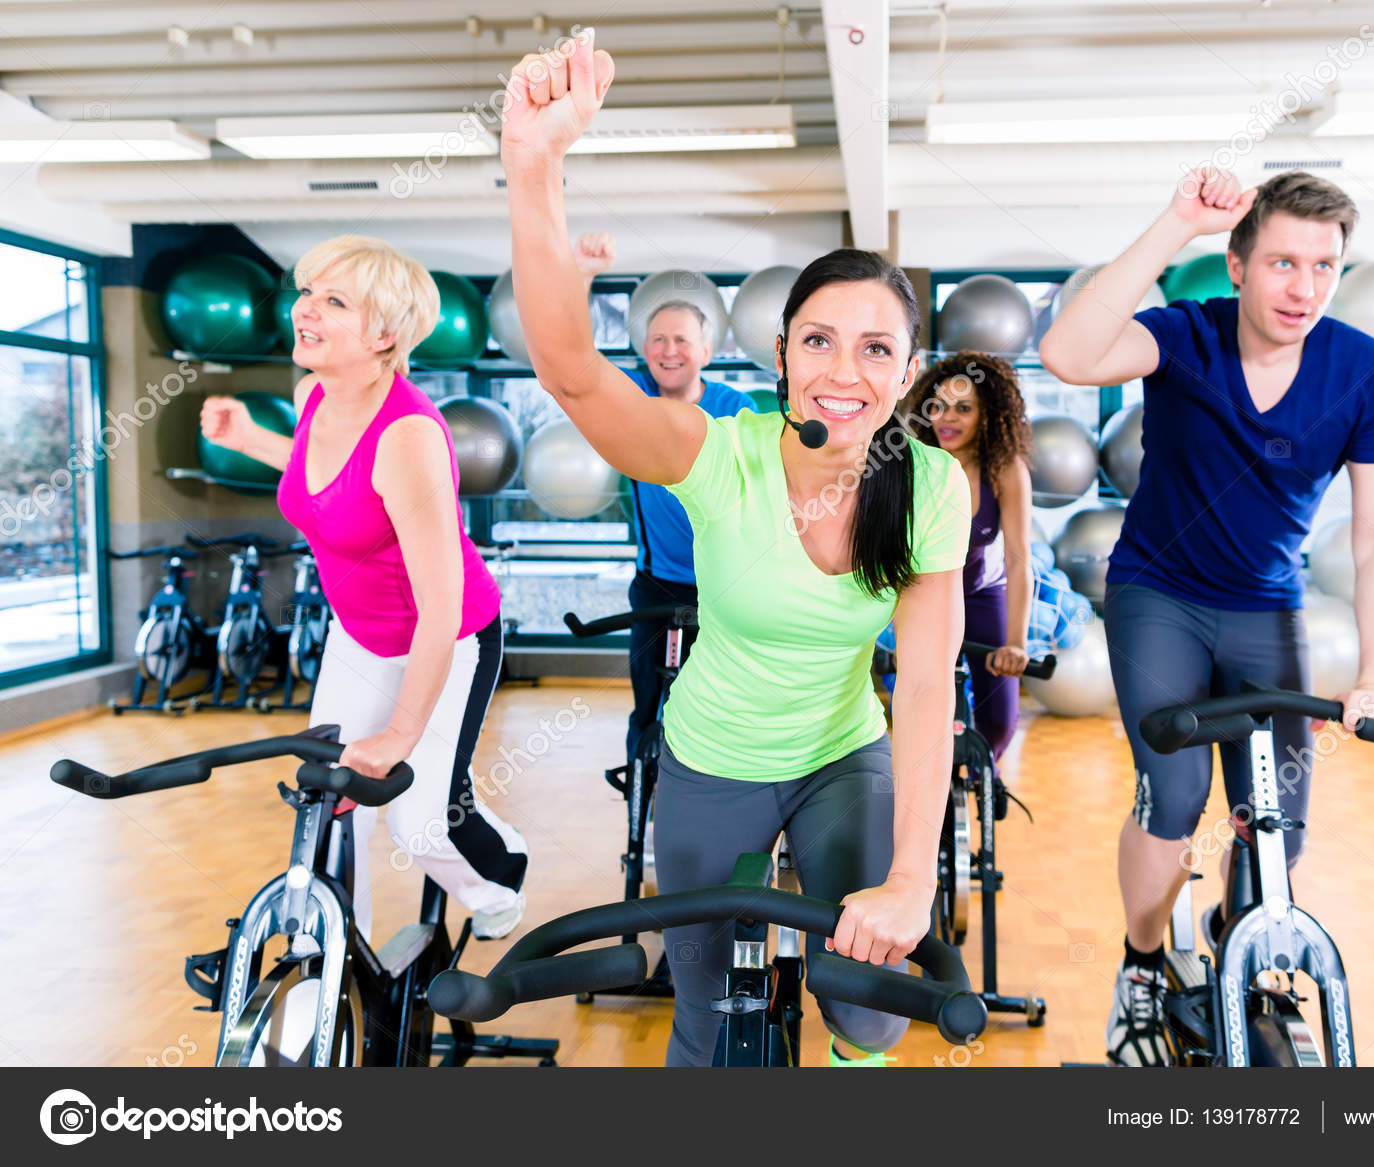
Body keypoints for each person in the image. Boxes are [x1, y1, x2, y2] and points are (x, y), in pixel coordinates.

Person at [499, 31, 970, 1066]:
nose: (842, 371)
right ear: (782, 354)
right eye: (818, 340)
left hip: (844, 757)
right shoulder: (721, 454)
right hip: (711, 760)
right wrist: (534, 167)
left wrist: (911, 877)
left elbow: (928, 685)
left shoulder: (933, 483)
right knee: (707, 1026)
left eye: (875, 348)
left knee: (870, 1007)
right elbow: (573, 375)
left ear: (906, 372)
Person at [1040, 167, 1374, 1066]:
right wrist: (1177, 221)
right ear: (1238, 267)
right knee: (1172, 798)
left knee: (1279, 820)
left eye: (1324, 266)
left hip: (1266, 604)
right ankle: (1141, 963)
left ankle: (1238, 929)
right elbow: (1069, 354)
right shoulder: (1185, 334)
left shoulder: (1368, 370)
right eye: (1283, 262)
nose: (1305, 287)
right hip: (1158, 596)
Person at [199, 235, 528, 943]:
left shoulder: (409, 436)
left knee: (417, 818)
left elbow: (440, 608)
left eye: (334, 300)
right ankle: (333, 964)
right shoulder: (312, 393)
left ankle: (501, 875)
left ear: (384, 335)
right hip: (360, 635)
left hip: (449, 634)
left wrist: (399, 735)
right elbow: (336, 488)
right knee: (330, 804)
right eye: (308, 293)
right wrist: (253, 439)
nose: (305, 310)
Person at [568, 232, 756, 758]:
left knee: (721, 709)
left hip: (726, 587)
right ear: (644, 348)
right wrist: (583, 277)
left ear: (706, 351)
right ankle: (641, 808)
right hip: (656, 588)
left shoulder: (734, 407)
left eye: (681, 340)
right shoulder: (633, 396)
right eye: (657, 340)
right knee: (649, 705)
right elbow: (575, 361)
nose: (668, 351)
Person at [905, 351, 1034, 764]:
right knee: (924, 716)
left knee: (998, 720)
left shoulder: (1004, 468)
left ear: (987, 415)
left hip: (982, 594)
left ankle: (982, 774)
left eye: (963, 408)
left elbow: (1018, 559)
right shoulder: (913, 462)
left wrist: (1015, 642)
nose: (947, 418)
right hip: (927, 596)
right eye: (939, 406)